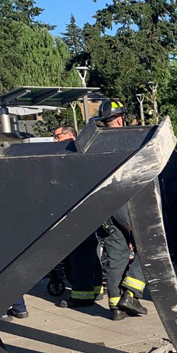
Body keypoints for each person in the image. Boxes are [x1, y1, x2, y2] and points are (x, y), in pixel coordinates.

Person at [97, 100, 150, 321]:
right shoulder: (127, 141)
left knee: (115, 257)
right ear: (120, 119)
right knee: (148, 248)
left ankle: (116, 308)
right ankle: (131, 293)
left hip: (102, 209)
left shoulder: (97, 143)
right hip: (124, 204)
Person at [53, 124, 106, 309]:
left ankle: (81, 297)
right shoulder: (86, 154)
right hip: (90, 213)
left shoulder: (71, 154)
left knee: (80, 257)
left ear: (70, 135)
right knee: (91, 254)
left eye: (57, 136)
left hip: (77, 215)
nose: (55, 140)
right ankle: (96, 290)